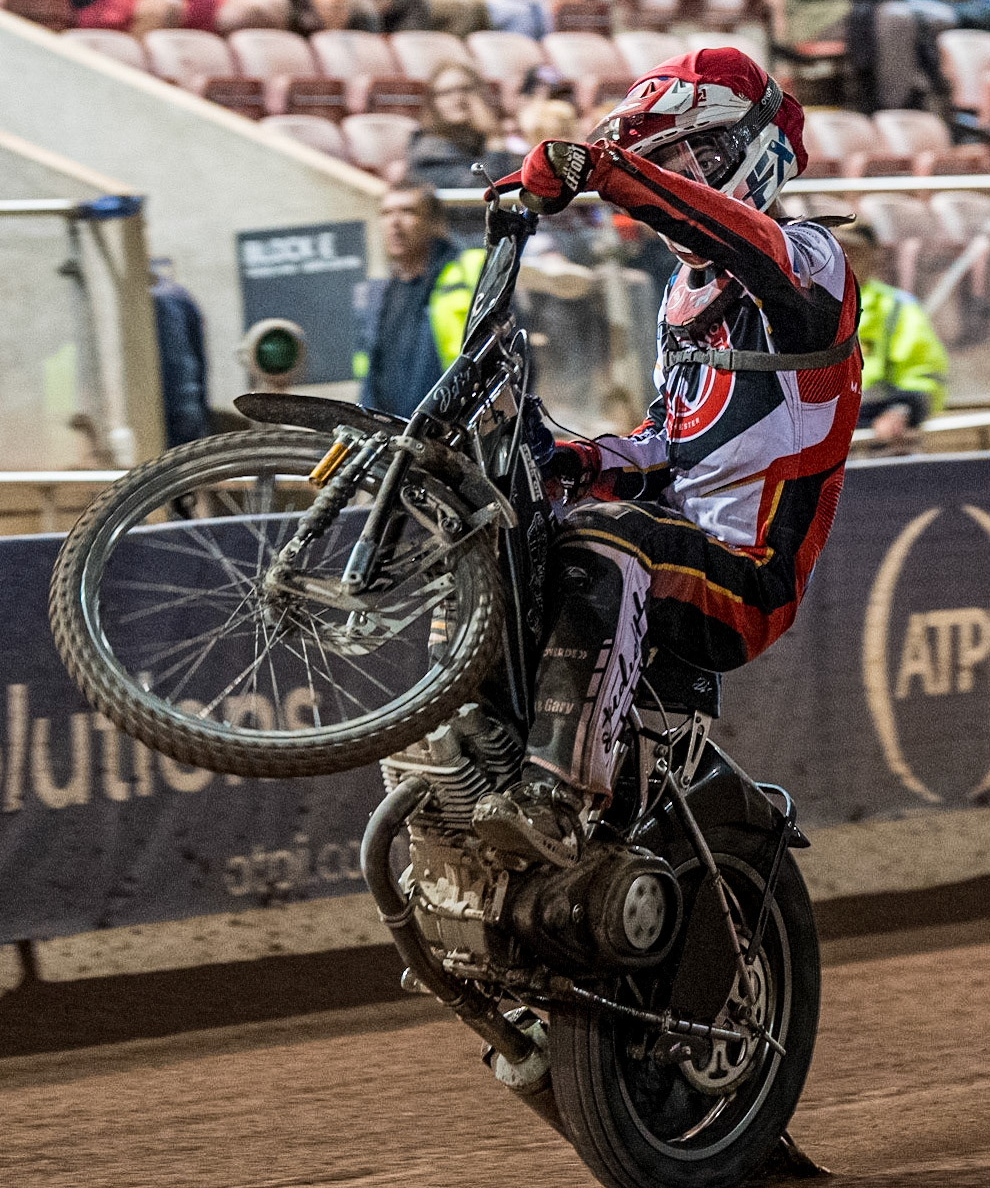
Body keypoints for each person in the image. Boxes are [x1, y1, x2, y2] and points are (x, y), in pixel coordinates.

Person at [470, 48, 863, 860]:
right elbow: (666, 444)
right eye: (658, 160)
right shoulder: (680, 299)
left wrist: (611, 173)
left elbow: (753, 248)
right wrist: (571, 459)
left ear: (753, 154)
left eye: (689, 156)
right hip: (681, 541)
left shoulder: (812, 257)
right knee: (528, 526)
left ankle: (555, 796)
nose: (671, 175)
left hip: (748, 574)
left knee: (607, 537)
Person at [354, 182, 486, 417]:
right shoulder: (379, 293)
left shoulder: (470, 270)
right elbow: (371, 375)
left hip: (454, 427)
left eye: (408, 212)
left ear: (434, 222)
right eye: (386, 213)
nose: (394, 223)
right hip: (394, 434)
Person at [834, 221, 947, 442]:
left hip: (875, 434)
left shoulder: (898, 307)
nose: (846, 257)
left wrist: (902, 409)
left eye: (855, 250)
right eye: (838, 249)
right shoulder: (804, 305)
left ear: (874, 256)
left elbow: (925, 375)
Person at [404, 63, 522, 191]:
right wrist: (494, 138)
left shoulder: (480, 141)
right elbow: (481, 195)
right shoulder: (429, 154)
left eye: (465, 89)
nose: (457, 98)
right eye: (446, 92)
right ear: (433, 103)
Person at [151, 262, 211, 447]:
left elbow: (178, 363)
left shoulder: (163, 300)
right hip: (184, 409)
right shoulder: (174, 295)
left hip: (175, 415)